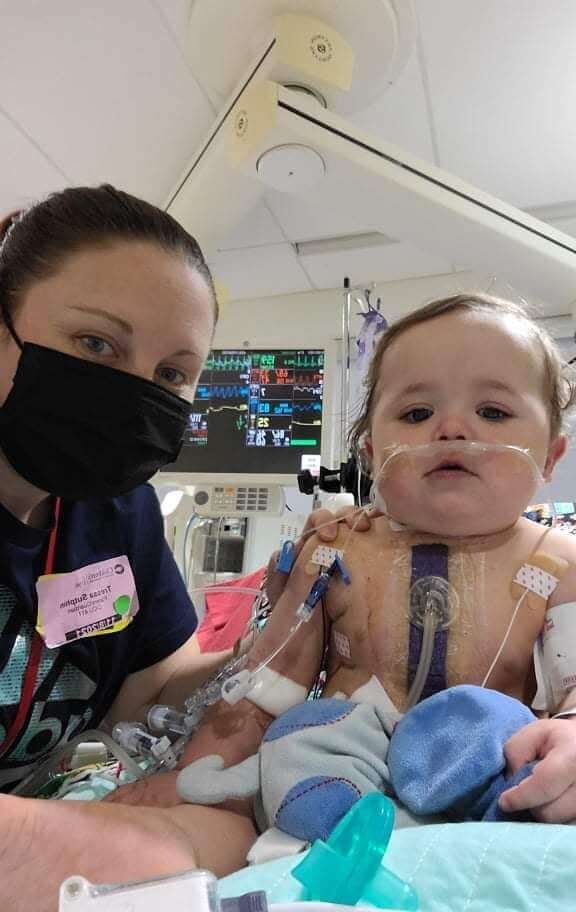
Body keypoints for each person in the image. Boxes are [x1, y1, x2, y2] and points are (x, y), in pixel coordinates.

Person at [110, 294, 576, 853]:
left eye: (493, 412)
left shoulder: (564, 566)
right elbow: (264, 686)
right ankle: (328, 839)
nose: (452, 428)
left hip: (484, 777)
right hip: (339, 768)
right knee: (298, 742)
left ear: (550, 457)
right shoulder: (335, 551)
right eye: (417, 414)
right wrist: (197, 780)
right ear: (371, 454)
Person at [0, 184, 345, 911]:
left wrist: (280, 639)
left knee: (220, 835)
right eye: (96, 344)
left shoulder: (116, 515)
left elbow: (156, 689)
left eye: (170, 375)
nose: (132, 393)